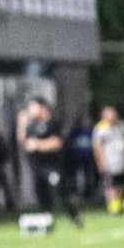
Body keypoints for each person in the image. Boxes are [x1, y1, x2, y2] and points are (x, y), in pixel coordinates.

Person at [19, 98, 80, 228]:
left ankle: (74, 216)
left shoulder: (52, 123)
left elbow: (57, 142)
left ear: (42, 107)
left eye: (33, 107)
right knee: (42, 196)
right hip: (37, 168)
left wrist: (38, 145)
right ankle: (46, 222)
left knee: (59, 194)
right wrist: (21, 123)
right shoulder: (31, 126)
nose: (31, 110)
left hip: (51, 167)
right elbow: (24, 141)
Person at [90, 106, 124, 214]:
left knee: (121, 184)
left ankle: (120, 205)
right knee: (111, 185)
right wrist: (100, 162)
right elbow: (97, 147)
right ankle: (113, 207)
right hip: (109, 162)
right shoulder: (101, 128)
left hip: (121, 162)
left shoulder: (121, 126)